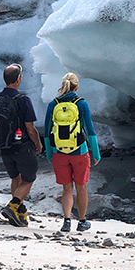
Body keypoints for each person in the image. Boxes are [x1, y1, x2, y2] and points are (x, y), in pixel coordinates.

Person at [0, 63, 43, 227]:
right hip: (22, 146)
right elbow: (30, 128)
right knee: (28, 179)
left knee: (16, 178)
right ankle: (13, 205)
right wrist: (38, 144)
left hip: (3, 147)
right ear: (19, 79)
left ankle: (19, 214)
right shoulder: (23, 100)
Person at [43, 72, 101, 232]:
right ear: (76, 86)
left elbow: (47, 132)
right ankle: (82, 221)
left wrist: (49, 154)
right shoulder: (81, 104)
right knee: (81, 187)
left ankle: (67, 221)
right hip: (79, 152)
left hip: (59, 152)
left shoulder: (53, 104)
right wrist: (96, 153)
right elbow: (90, 130)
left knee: (67, 188)